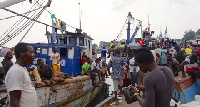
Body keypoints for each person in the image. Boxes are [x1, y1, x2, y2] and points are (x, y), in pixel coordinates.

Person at [5, 43, 37, 107]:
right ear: (22, 54)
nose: (34, 55)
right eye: (31, 52)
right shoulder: (16, 71)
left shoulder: (22, 69)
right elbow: (14, 102)